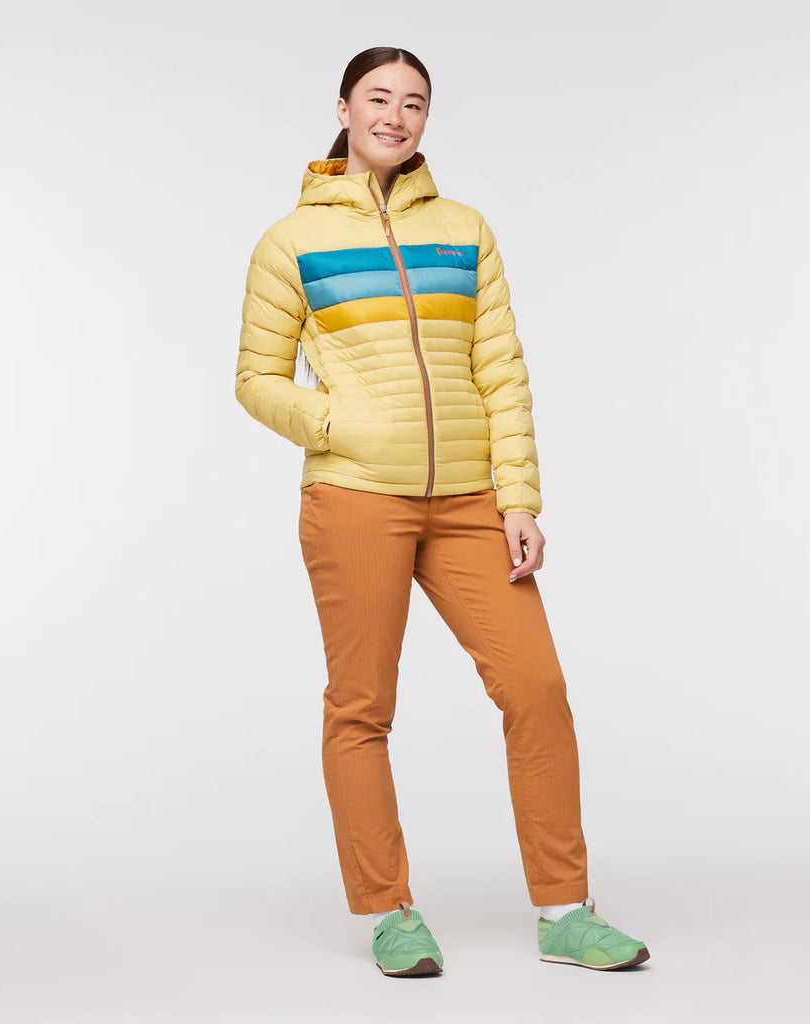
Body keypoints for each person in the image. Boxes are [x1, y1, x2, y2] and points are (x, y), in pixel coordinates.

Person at [234, 46, 650, 977]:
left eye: (414, 102)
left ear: (426, 118)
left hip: (469, 500)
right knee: (362, 706)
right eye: (378, 97)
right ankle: (389, 912)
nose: (395, 115)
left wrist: (519, 499)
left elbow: (501, 370)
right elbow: (256, 379)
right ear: (343, 109)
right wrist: (342, 424)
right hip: (354, 498)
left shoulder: (465, 230)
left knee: (536, 688)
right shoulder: (290, 241)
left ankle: (564, 910)